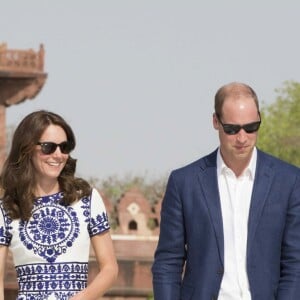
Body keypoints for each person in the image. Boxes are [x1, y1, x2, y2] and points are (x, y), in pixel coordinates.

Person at [152, 82, 300, 300]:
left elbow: (295, 261)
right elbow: (168, 262)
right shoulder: (184, 182)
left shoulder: (288, 180)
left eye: (251, 127)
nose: (242, 138)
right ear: (215, 121)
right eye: (232, 129)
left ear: (259, 119)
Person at [0, 110, 118, 300]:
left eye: (64, 147)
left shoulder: (87, 199)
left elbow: (110, 268)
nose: (58, 154)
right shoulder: (7, 208)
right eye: (48, 147)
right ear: (27, 149)